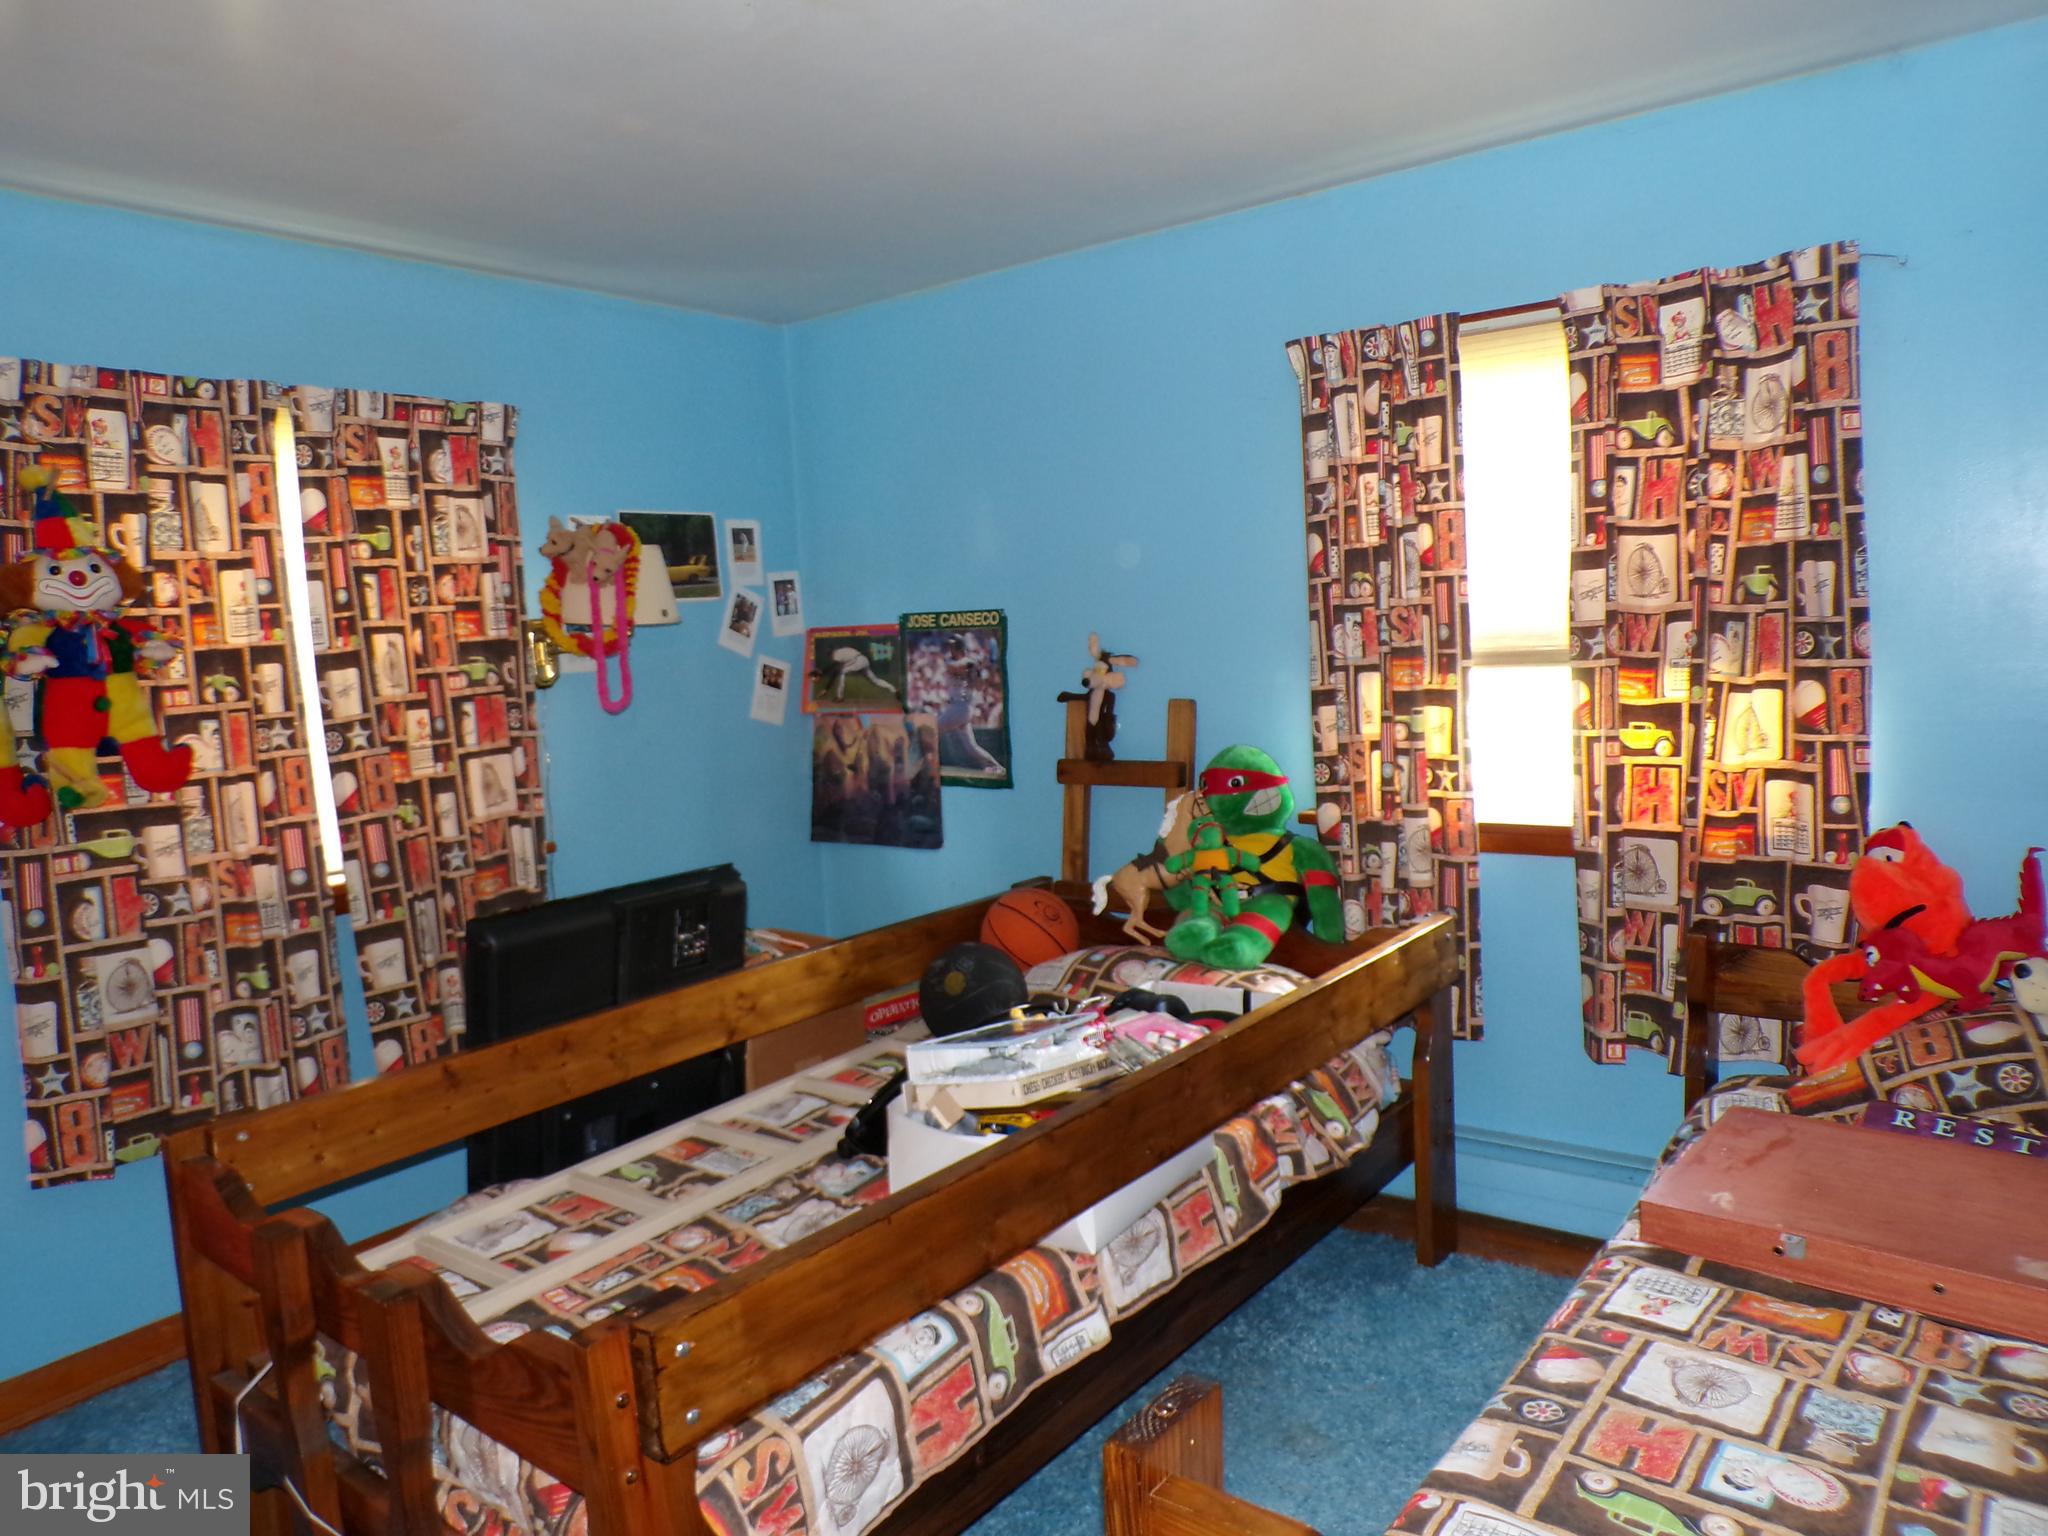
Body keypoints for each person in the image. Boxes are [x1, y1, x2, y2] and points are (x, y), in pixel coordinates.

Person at [934, 634, 1004, 776]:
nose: (950, 649)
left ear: (960, 647)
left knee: (930, 731)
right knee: (972, 748)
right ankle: (998, 767)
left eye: (953, 646)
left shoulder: (970, 664)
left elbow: (979, 687)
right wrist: (974, 664)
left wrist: (978, 672)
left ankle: (922, 767)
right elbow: (955, 666)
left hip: (961, 708)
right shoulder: (955, 661)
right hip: (959, 709)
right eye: (950, 646)